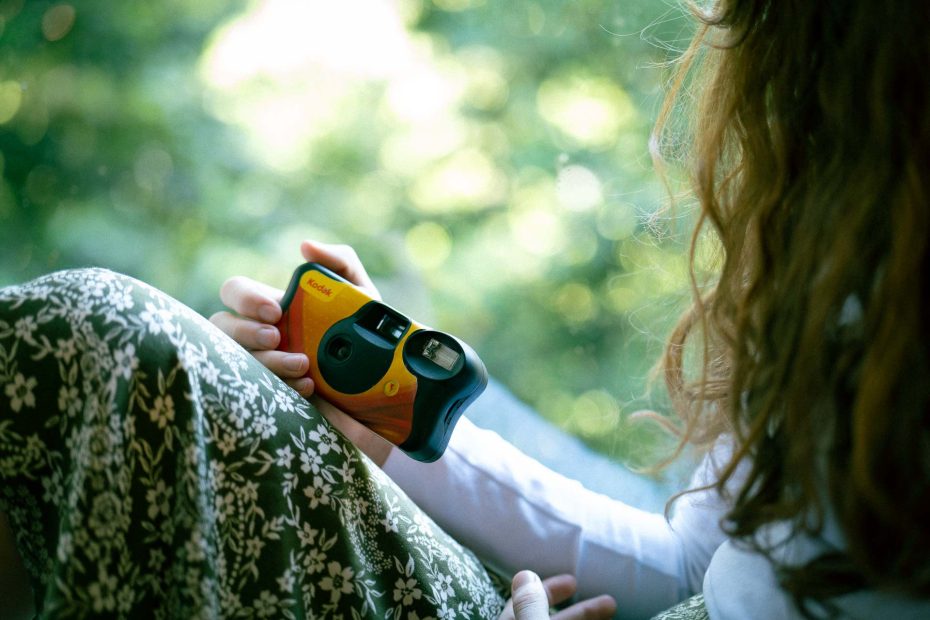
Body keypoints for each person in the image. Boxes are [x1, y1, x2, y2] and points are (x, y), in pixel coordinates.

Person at [2, 0, 928, 618]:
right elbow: (691, 567)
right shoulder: (847, 311)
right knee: (111, 347)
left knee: (103, 342)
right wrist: (398, 423)